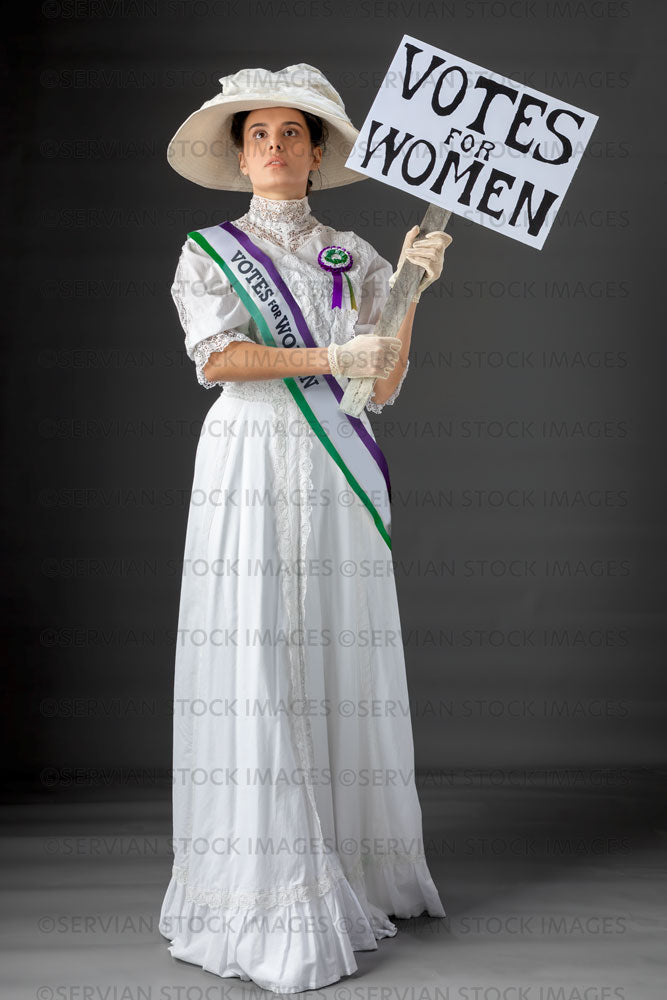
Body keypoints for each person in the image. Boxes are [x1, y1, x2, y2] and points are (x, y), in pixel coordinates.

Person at [159, 62, 453, 994]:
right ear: (240, 155)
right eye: (260, 135)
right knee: (256, 646)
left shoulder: (356, 252)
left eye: (294, 133)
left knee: (333, 643)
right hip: (249, 458)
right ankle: (265, 884)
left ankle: (350, 863)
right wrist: (330, 350)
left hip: (334, 460)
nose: (276, 148)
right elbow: (221, 361)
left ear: (317, 154)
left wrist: (410, 290)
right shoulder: (206, 252)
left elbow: (381, 385)